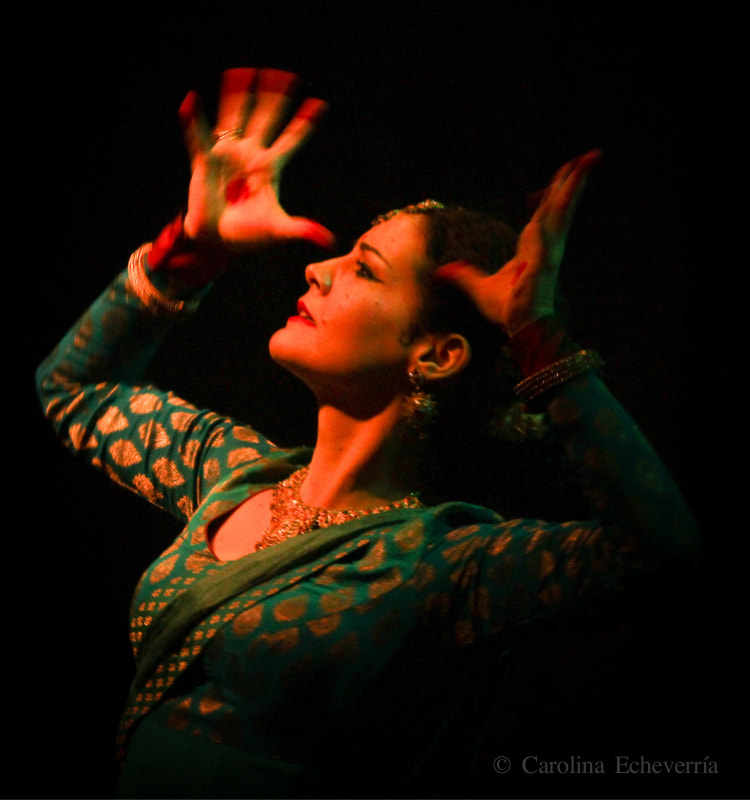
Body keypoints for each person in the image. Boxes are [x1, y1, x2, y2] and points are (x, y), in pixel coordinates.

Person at [36, 67, 700, 798]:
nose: (318, 269)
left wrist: (537, 337)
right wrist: (192, 252)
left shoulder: (443, 565)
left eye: (364, 269)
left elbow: (657, 552)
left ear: (437, 354)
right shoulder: (230, 476)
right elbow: (74, 387)